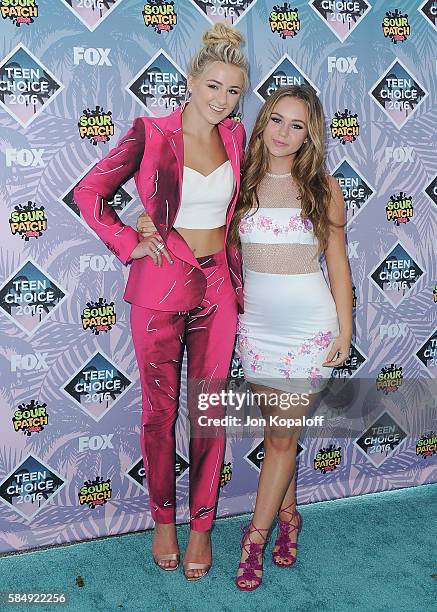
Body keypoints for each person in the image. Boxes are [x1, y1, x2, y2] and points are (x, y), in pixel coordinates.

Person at [73, 23, 248, 581]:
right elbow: (89, 192)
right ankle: (163, 520)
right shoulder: (150, 132)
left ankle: (201, 526)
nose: (221, 100)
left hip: (218, 285)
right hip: (161, 285)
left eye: (233, 91)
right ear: (191, 81)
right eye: (213, 86)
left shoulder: (240, 138)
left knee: (208, 409)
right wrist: (132, 239)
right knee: (159, 413)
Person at [229, 85, 353, 591]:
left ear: (310, 134)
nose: (283, 133)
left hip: (308, 330)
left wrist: (345, 329)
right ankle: (290, 518)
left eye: (296, 125)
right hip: (257, 329)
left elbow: (339, 264)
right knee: (279, 438)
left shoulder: (324, 187)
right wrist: (151, 221)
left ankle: (254, 540)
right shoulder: (240, 181)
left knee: (281, 438)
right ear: (262, 123)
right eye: (276, 120)